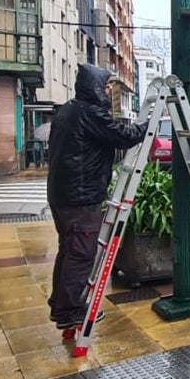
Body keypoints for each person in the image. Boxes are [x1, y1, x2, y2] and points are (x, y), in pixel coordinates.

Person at [46, 64, 147, 339]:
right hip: (81, 197)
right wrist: (147, 125)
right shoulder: (89, 114)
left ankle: (62, 307)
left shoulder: (66, 110)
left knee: (68, 252)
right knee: (80, 255)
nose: (107, 91)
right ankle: (71, 312)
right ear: (93, 86)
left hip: (62, 196)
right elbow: (125, 137)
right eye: (104, 86)